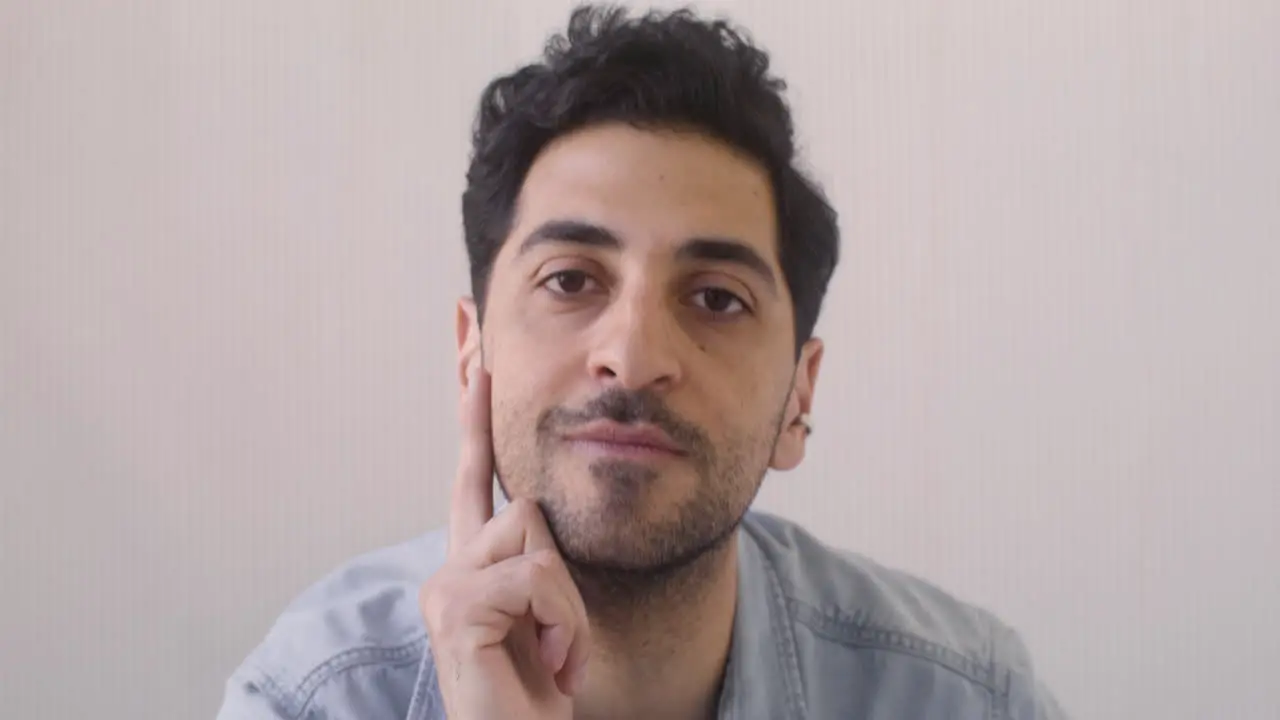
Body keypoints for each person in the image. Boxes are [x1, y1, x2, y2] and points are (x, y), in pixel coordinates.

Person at [217, 5, 1065, 719]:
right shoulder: (315, 699)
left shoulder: (965, 698)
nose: (630, 358)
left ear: (798, 397)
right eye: (571, 280)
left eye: (716, 299)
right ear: (471, 354)